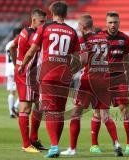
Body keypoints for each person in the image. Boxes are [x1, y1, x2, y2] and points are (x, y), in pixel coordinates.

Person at [19, 1, 80, 158]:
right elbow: (80, 58)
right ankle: (55, 145)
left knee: (50, 111)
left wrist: (22, 65)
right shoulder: (72, 32)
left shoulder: (44, 28)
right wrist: (71, 71)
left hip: (47, 75)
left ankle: (54, 147)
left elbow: (32, 51)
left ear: (52, 12)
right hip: (64, 76)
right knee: (59, 112)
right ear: (66, 14)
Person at [61, 14, 123, 157]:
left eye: (78, 26)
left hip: (88, 80)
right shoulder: (103, 38)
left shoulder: (84, 39)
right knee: (105, 115)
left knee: (76, 113)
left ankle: (72, 149)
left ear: (82, 27)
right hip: (104, 79)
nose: (78, 28)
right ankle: (117, 143)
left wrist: (69, 72)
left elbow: (82, 60)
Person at [90, 11, 129, 154]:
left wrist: (128, 76)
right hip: (101, 79)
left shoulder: (124, 38)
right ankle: (94, 144)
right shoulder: (99, 37)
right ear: (106, 23)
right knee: (98, 112)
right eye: (110, 22)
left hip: (119, 78)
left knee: (125, 110)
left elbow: (126, 58)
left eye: (115, 22)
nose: (113, 25)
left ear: (119, 22)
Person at [9, 8, 47, 153]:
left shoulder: (23, 32)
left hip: (28, 72)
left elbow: (12, 46)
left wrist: (16, 64)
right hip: (27, 73)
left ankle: (33, 139)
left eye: (45, 22)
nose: (43, 25)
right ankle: (26, 144)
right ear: (34, 20)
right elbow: (32, 51)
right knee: (26, 108)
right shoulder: (33, 35)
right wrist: (21, 66)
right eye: (41, 22)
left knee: (39, 106)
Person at [5, 27, 22, 118]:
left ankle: (11, 112)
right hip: (16, 68)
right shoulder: (19, 43)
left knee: (12, 92)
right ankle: (15, 107)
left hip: (8, 70)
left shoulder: (8, 44)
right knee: (23, 91)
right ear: (17, 35)